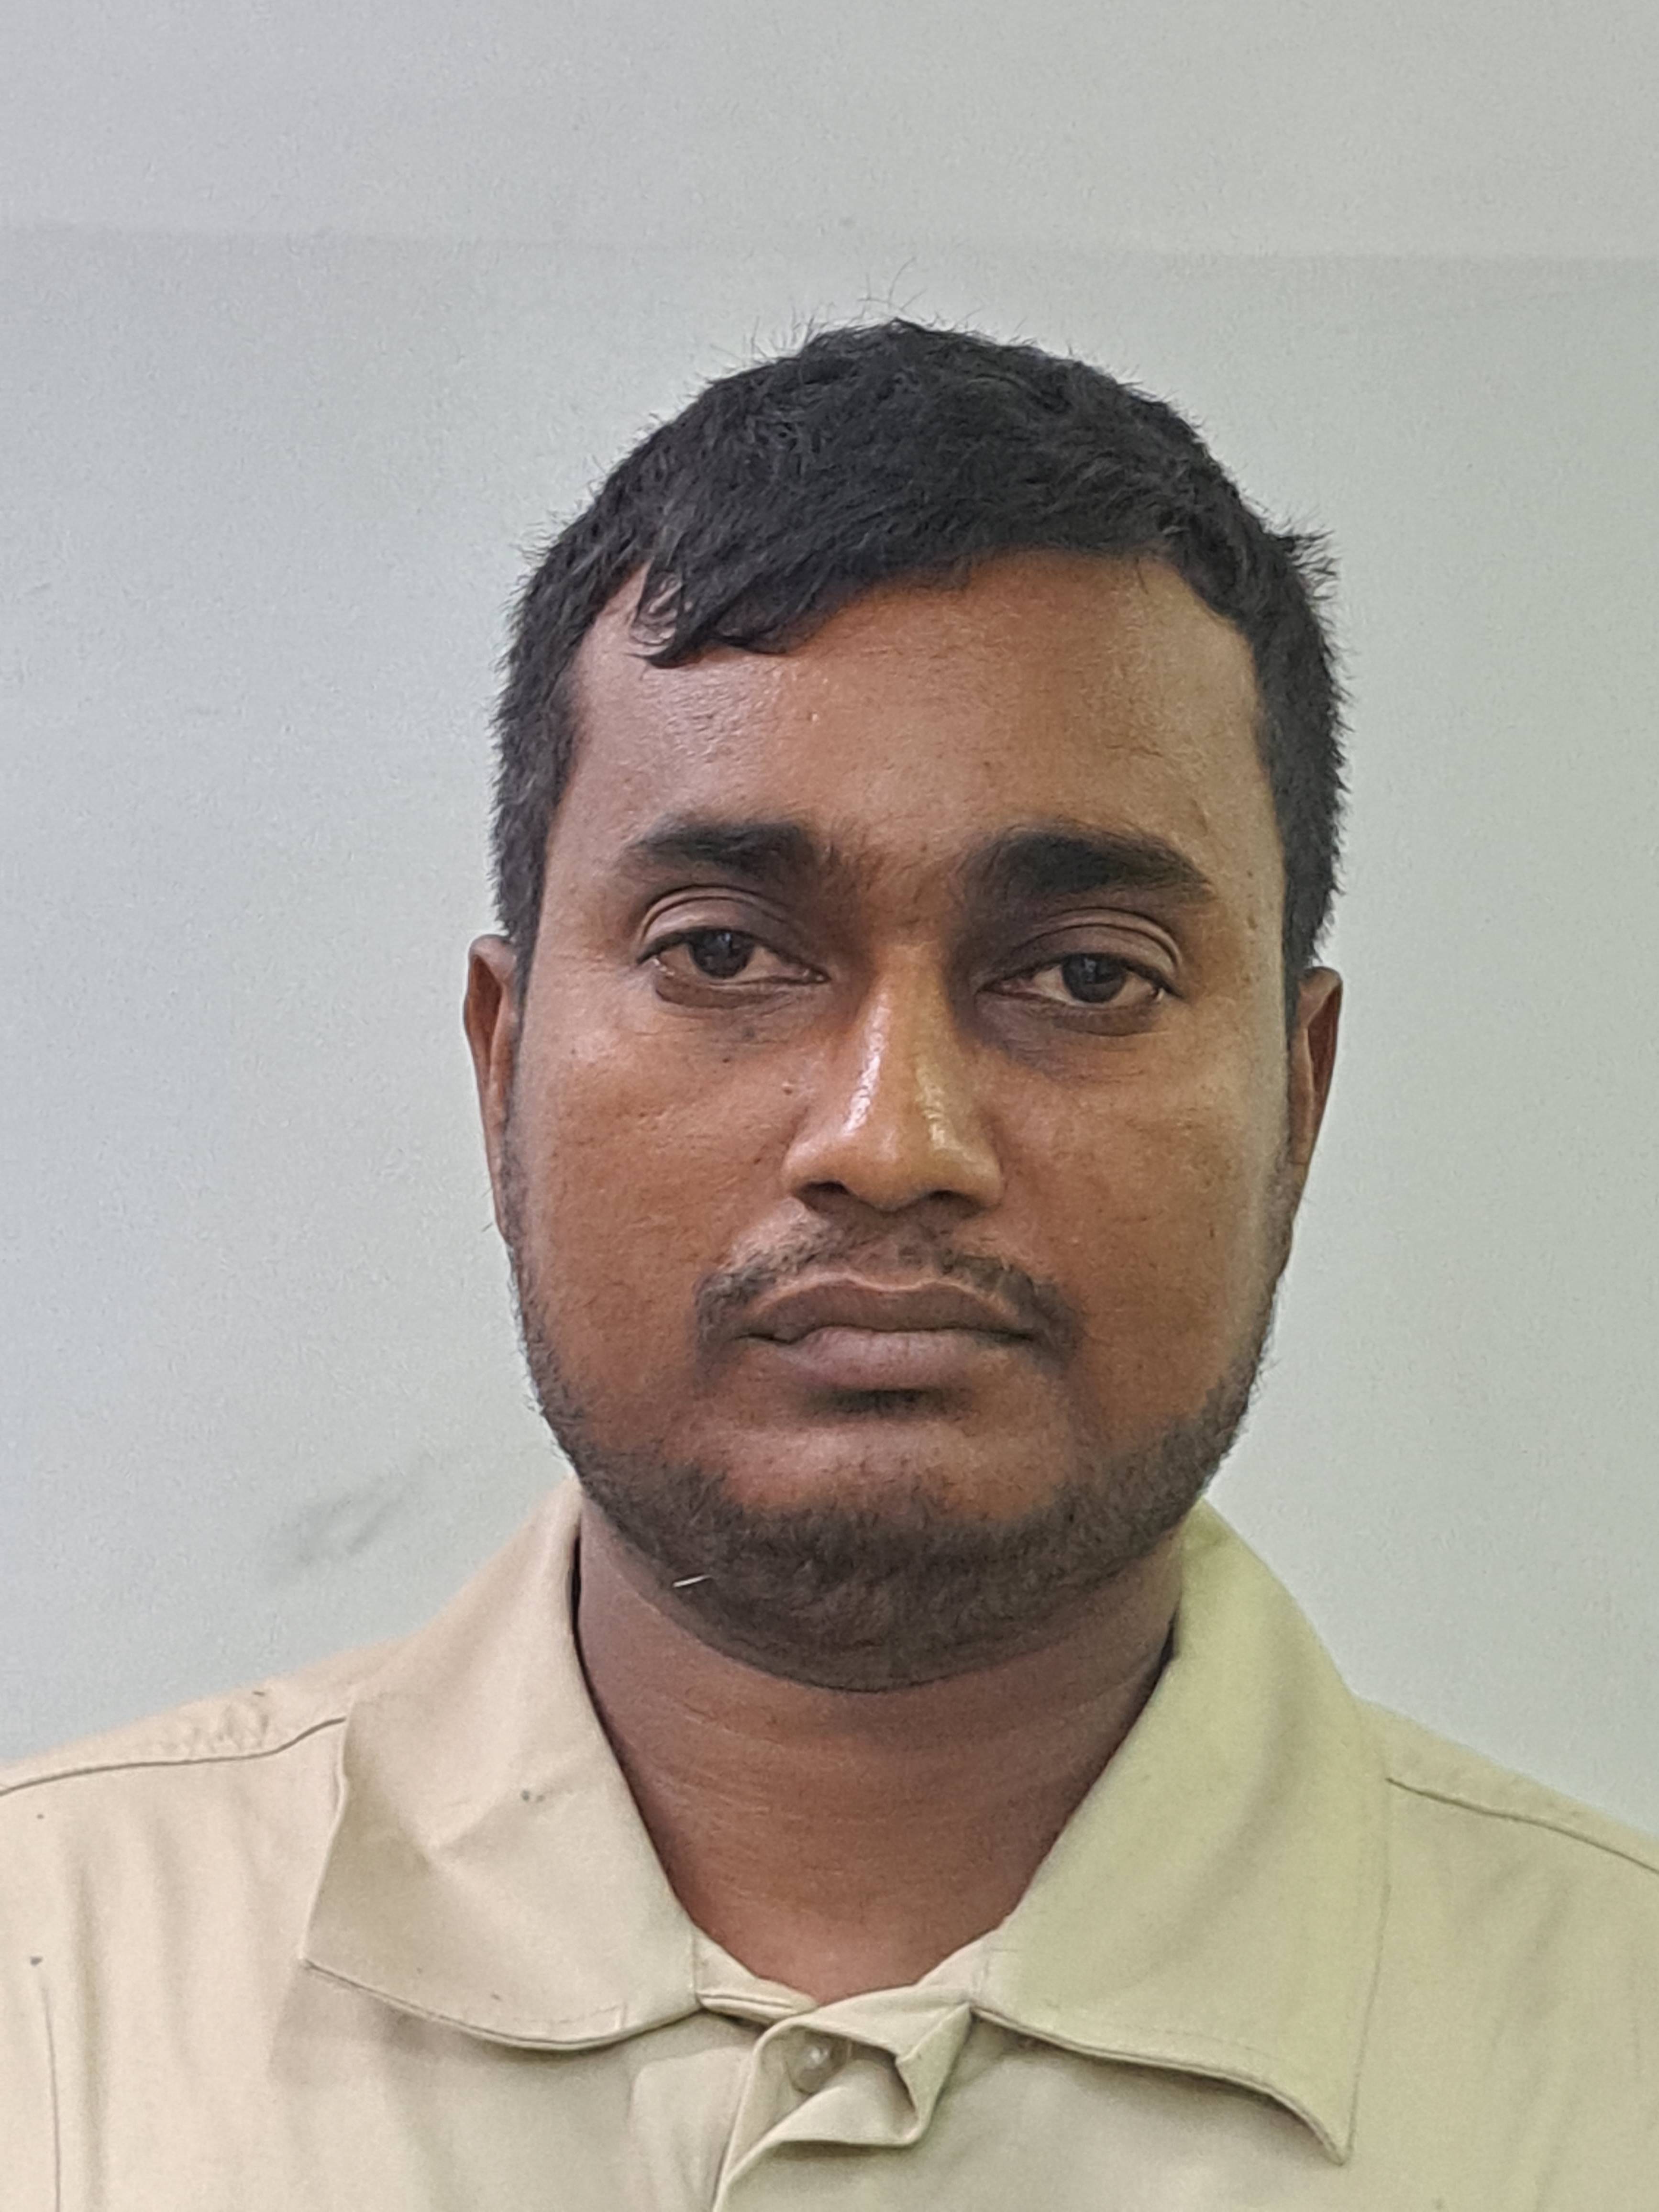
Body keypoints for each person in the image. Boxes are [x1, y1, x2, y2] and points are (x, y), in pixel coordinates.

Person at [2, 319, 1654, 2210]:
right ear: (501, 1064)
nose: (890, 1139)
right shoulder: (51, 2015)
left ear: (1297, 1099)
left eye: (1085, 974)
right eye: (722, 952)